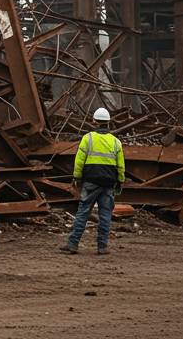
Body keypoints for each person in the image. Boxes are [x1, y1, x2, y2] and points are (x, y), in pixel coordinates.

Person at [60, 107, 126, 256]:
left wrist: (76, 177)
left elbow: (79, 161)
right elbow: (121, 166)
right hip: (108, 183)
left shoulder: (87, 138)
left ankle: (72, 245)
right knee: (105, 215)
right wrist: (120, 181)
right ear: (108, 122)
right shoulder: (116, 142)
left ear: (94, 121)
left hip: (90, 182)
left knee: (83, 213)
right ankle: (102, 247)